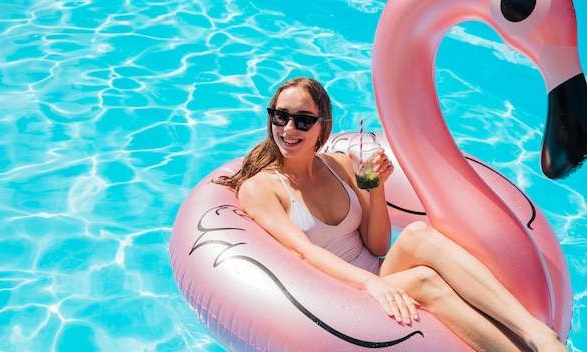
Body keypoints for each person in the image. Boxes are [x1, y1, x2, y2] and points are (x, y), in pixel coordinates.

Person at [214, 77, 567, 352]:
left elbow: (378, 244)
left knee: (417, 234)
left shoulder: (338, 165)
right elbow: (303, 252)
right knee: (424, 281)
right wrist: (371, 283)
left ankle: (537, 333)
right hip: (333, 295)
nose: (289, 129)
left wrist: (376, 186)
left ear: (322, 127)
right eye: (281, 116)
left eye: (303, 121)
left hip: (378, 273)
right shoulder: (262, 188)